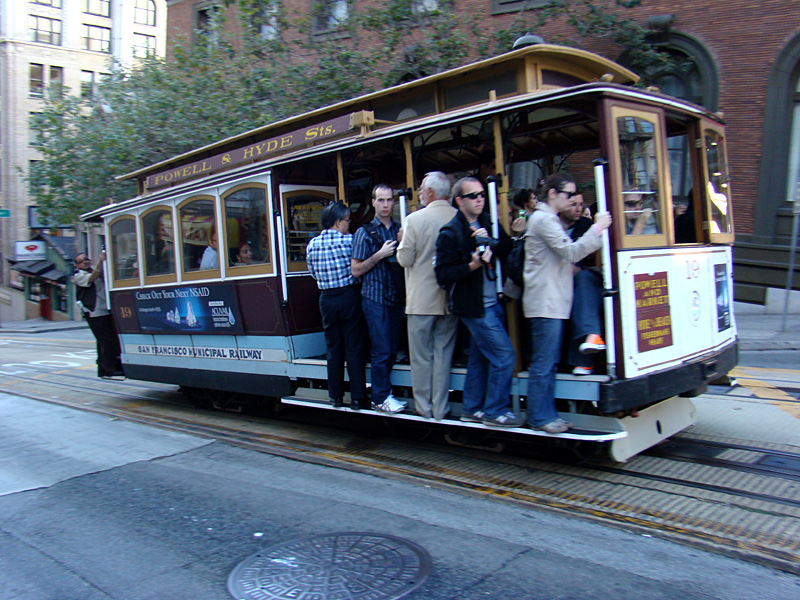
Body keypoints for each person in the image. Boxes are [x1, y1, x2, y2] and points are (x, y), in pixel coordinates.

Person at [523, 173, 612, 434]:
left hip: (551, 302)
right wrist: (597, 228)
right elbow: (571, 252)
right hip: (545, 302)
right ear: (552, 194)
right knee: (544, 363)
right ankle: (540, 417)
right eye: (569, 194)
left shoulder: (547, 219)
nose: (573, 199)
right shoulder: (543, 220)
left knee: (548, 362)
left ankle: (547, 414)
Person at [435, 176, 521, 428]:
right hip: (473, 307)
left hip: (493, 302)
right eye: (473, 196)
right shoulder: (450, 232)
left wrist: (490, 242)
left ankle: (471, 408)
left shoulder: (487, 221)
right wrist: (472, 265)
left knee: (480, 357)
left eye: (482, 194)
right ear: (459, 201)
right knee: (504, 355)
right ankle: (495, 411)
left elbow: (506, 247)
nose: (480, 199)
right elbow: (442, 275)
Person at [397, 171, 458, 420]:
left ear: (430, 192)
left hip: (421, 299)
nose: (420, 192)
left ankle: (424, 407)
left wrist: (401, 241)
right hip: (449, 299)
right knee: (443, 355)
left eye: (422, 188)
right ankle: (441, 408)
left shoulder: (414, 219)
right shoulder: (458, 216)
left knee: (421, 357)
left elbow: (404, 259)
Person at [307, 202, 369, 410]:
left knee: (333, 348)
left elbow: (313, 273)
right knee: (354, 347)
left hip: (326, 299)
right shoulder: (349, 241)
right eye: (347, 220)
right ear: (337, 222)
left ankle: (335, 396)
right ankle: (358, 398)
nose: (349, 224)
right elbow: (358, 268)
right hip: (349, 296)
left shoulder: (312, 244)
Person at [351, 184, 408, 414]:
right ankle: (380, 397)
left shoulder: (400, 229)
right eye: (381, 200)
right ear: (373, 202)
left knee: (391, 349)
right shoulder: (363, 233)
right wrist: (378, 255)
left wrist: (403, 243)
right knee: (381, 349)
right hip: (374, 298)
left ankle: (385, 394)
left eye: (389, 200)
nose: (386, 205)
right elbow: (355, 270)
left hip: (396, 297)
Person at [559, 193, 606, 375]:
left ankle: (584, 360)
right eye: (573, 204)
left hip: (590, 280)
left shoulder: (586, 225)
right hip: (560, 283)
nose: (578, 209)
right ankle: (585, 356)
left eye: (581, 204)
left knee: (583, 283)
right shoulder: (550, 226)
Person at [73, 251, 124, 379]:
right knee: (106, 340)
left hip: (104, 309)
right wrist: (100, 262)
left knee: (103, 340)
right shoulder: (78, 276)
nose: (84, 262)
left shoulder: (93, 271)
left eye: (86, 259)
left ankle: (103, 368)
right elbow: (92, 278)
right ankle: (108, 368)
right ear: (76, 265)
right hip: (94, 312)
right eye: (80, 261)